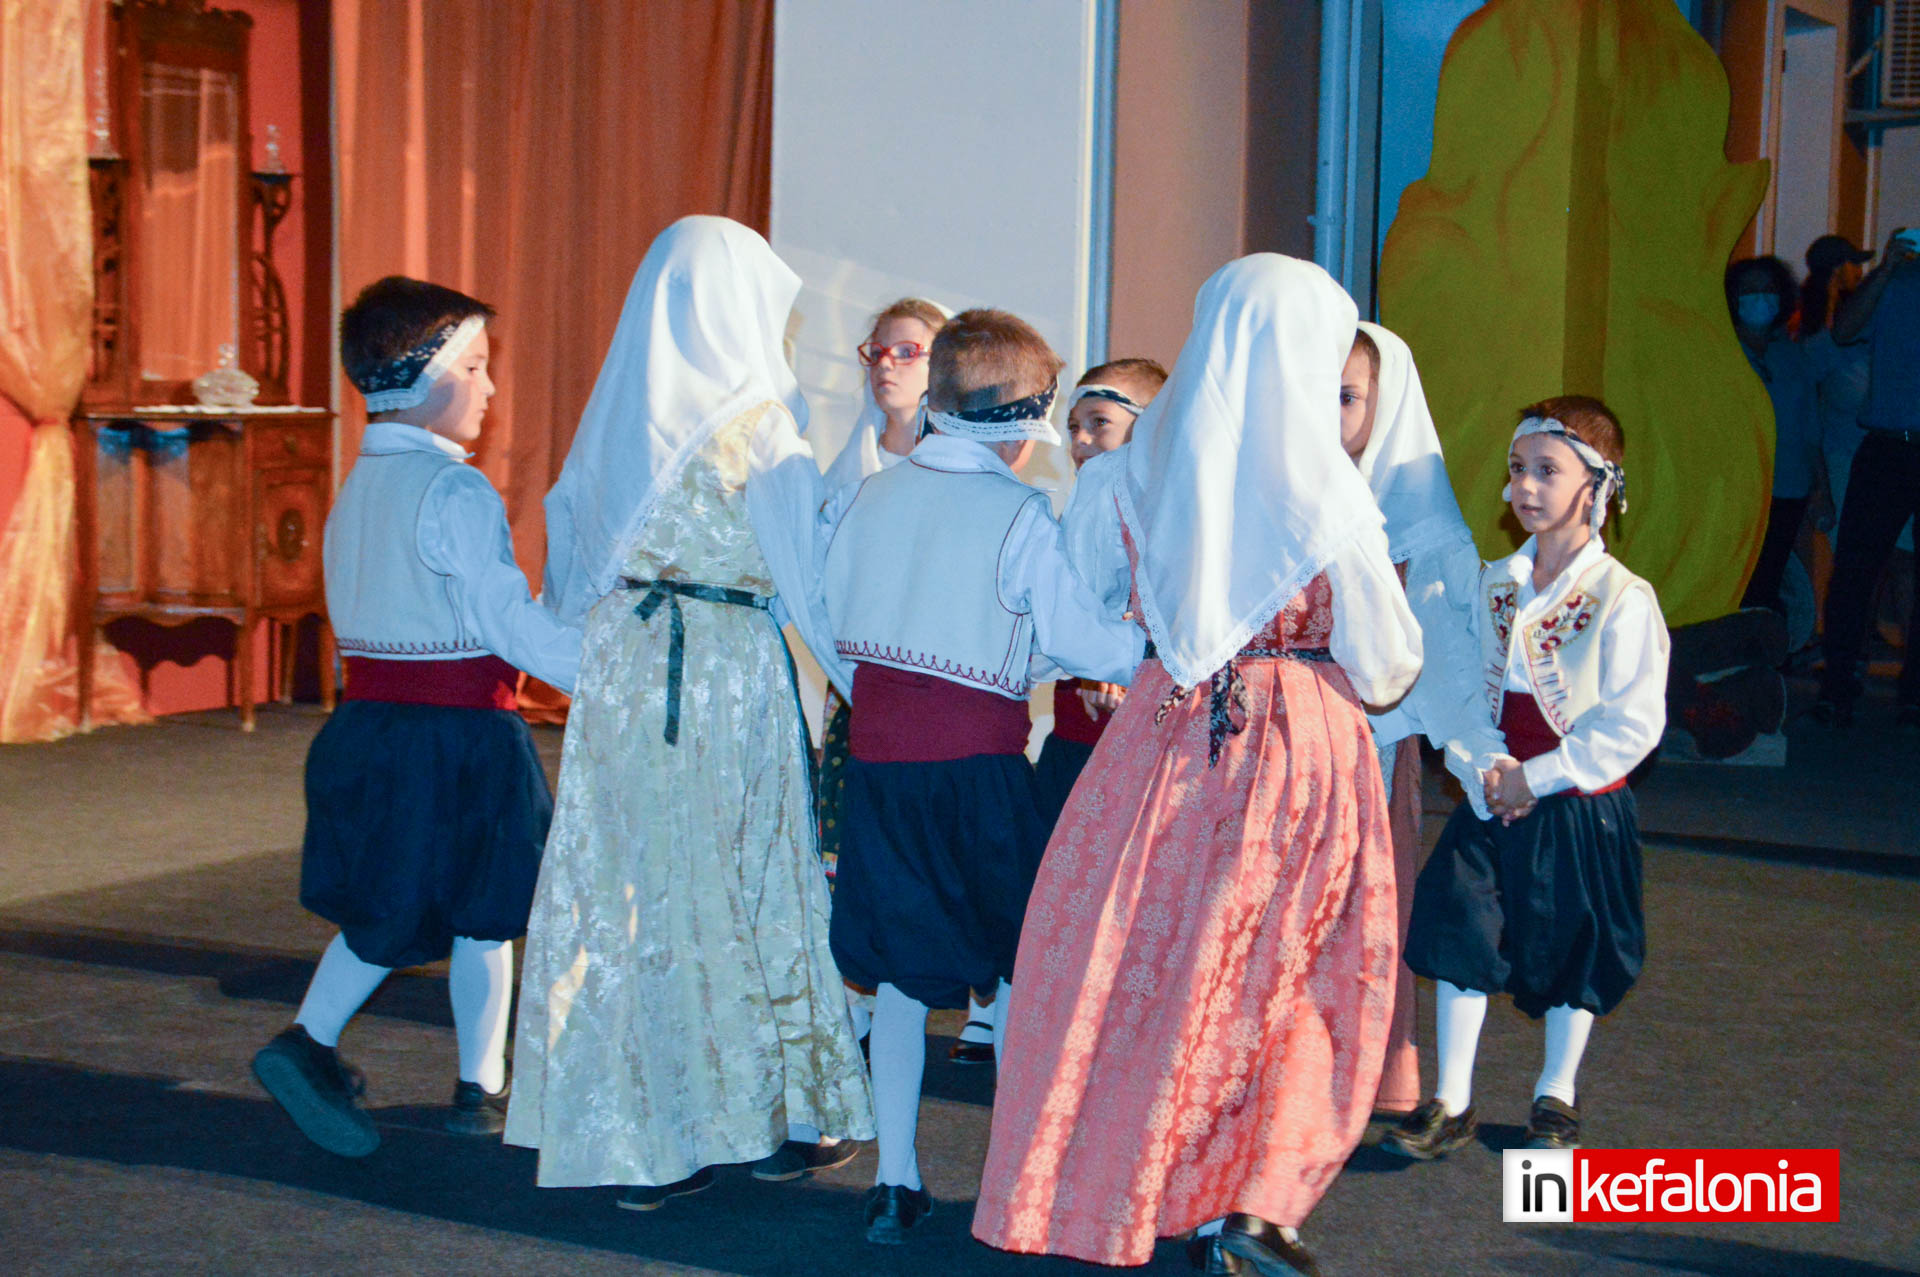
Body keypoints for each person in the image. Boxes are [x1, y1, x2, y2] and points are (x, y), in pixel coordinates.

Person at [972, 254, 1422, 1276]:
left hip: (1160, 735)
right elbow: (1389, 660)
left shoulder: (1134, 470)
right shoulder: (1324, 487)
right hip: (1297, 738)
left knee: (1149, 962)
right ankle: (1250, 1199)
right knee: (1289, 971)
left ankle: (1119, 1185)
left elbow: (1093, 607)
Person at [505, 217, 875, 1207]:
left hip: (627, 666)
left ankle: (642, 1117)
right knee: (745, 880)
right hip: (726, 673)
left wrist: (583, 649)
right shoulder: (764, 427)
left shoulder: (620, 417)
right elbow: (805, 583)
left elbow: (570, 557)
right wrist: (864, 679)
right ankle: (752, 1111)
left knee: (636, 886)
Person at [821, 308, 1145, 1245]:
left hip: (881, 771)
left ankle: (894, 1179)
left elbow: (838, 617)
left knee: (900, 975)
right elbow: (1081, 640)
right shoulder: (1018, 513)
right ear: (1024, 424)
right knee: (1025, 960)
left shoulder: (873, 496)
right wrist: (1148, 642)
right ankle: (1024, 1181)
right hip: (977, 774)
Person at [252, 276, 583, 1157]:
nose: (491, 387)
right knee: (479, 908)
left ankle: (359, 1050)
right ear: (424, 374)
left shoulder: (357, 487)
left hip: (370, 728)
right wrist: (602, 666)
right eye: (474, 367)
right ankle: (452, 1078)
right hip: (461, 737)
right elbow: (505, 622)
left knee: (394, 898)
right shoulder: (455, 492)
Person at [1387, 396, 1669, 1161]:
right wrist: (1486, 765)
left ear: (1598, 485)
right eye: (1518, 469)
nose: (1526, 486)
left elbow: (1632, 722)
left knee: (1574, 943)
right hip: (1495, 789)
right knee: (1462, 927)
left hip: (1574, 802)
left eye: (1548, 470)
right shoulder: (1497, 584)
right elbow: (1464, 685)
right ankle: (1452, 1098)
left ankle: (1556, 1091)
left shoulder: (1622, 598)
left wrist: (1540, 777)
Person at [1343, 321, 1487, 1129]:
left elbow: (1451, 661)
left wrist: (1483, 763)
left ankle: (1365, 1073)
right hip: (1277, 756)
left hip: (1370, 752)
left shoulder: (1418, 527)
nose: (1326, 414)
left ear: (1387, 404)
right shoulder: (1283, 495)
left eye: (1347, 397)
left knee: (1367, 918)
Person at [816, 299, 947, 1053]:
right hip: (857, 689)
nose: (886, 366)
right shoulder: (849, 469)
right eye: (877, 352)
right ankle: (855, 995)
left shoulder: (956, 467)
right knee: (848, 840)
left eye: (908, 351)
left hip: (931, 693)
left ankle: (937, 996)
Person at [1817, 228, 1920, 728]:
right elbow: (1843, 331)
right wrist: (1886, 268)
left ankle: (1914, 693)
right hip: (1887, 444)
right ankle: (1838, 686)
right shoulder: (1895, 283)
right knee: (1856, 570)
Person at [1726, 256, 1818, 618]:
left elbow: (1809, 426)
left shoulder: (1791, 355)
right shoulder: (1723, 353)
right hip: (1738, 488)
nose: (1760, 298)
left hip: (1789, 486)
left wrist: (1820, 488)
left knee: (1772, 576)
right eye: (1749, 290)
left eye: (1768, 289)